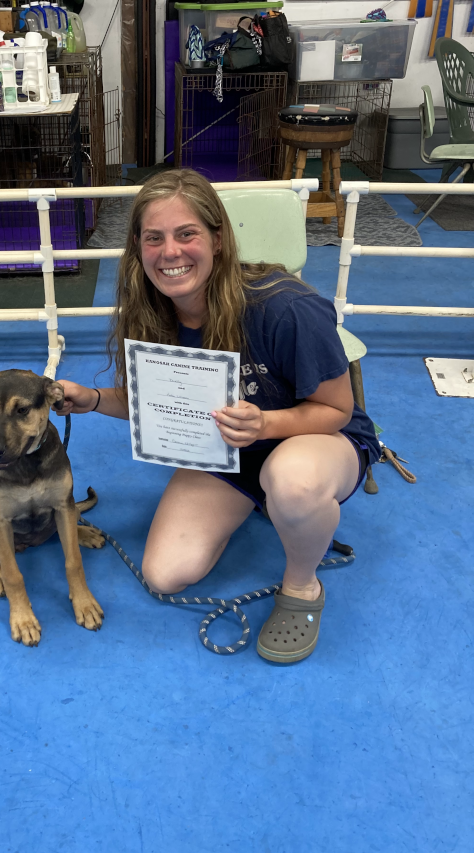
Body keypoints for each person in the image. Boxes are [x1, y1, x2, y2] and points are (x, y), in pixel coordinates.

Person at [56, 169, 379, 664]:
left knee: (291, 482)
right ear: (138, 248)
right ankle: (263, 500)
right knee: (165, 573)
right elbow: (155, 400)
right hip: (226, 453)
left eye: (187, 234)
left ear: (218, 240)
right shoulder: (147, 312)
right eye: (154, 238)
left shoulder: (284, 306)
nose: (171, 252)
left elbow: (337, 410)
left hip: (317, 440)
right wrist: (95, 398)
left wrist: (267, 425)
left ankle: (302, 586)